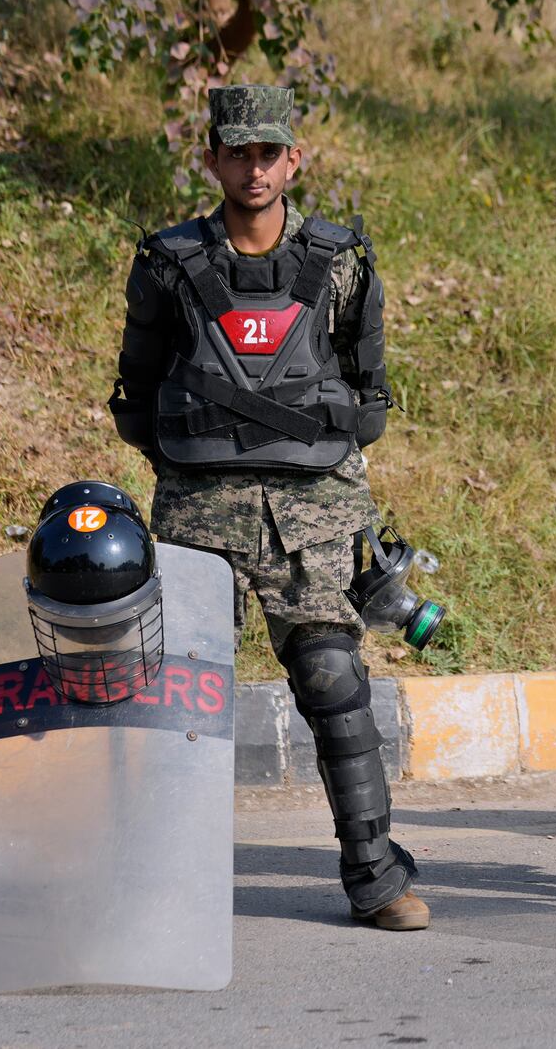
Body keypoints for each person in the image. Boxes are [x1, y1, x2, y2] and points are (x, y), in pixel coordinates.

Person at [107, 84, 427, 929]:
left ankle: (377, 879)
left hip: (315, 512)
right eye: (237, 151)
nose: (254, 168)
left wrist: (319, 476)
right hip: (196, 509)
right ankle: (159, 884)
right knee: (175, 694)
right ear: (212, 157)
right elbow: (136, 393)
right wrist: (193, 468)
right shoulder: (169, 261)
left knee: (334, 681)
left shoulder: (344, 258)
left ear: (296, 160)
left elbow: (368, 396)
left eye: (269, 153)